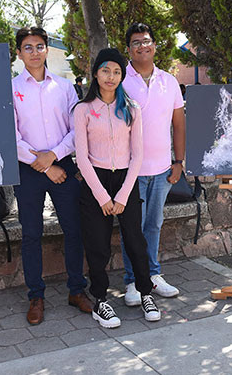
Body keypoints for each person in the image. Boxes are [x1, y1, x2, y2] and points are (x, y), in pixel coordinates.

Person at [74, 48, 160, 328]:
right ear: (95, 73)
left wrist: (122, 195)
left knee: (135, 240)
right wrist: (102, 197)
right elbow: (82, 157)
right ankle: (101, 300)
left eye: (117, 72)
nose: (111, 77)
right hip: (94, 182)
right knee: (97, 245)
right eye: (105, 70)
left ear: (122, 76)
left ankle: (146, 292)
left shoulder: (131, 109)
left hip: (126, 180)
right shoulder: (83, 110)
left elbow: (138, 155)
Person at [11, 26, 91, 325]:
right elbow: (12, 135)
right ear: (19, 53)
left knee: (73, 229)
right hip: (29, 168)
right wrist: (45, 164)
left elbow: (76, 130)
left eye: (40, 46)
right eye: (28, 47)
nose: (35, 52)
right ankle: (36, 296)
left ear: (47, 49)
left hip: (62, 165)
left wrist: (54, 156)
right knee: (32, 233)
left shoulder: (65, 86)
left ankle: (76, 290)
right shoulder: (12, 88)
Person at [120, 23, 186, 306]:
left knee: (154, 224)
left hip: (161, 169)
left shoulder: (169, 81)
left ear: (155, 45)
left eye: (146, 41)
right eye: (136, 43)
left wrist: (179, 161)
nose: (142, 47)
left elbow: (179, 124)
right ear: (128, 49)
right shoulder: (120, 79)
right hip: (130, 170)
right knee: (131, 227)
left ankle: (153, 274)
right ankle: (132, 281)